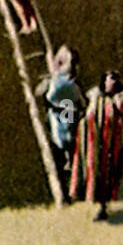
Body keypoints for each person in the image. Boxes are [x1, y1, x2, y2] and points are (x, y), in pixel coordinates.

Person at [72, 72, 123, 222]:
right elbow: (74, 106)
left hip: (111, 146)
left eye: (115, 82)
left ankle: (103, 208)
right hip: (92, 144)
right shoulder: (93, 96)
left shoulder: (121, 99)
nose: (111, 85)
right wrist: (70, 122)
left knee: (108, 177)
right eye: (109, 81)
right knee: (92, 173)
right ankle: (94, 205)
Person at [36, 46, 85, 202]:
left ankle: (69, 191)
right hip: (64, 110)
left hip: (63, 111)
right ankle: (70, 190)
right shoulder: (65, 81)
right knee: (66, 144)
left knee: (64, 143)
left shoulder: (61, 81)